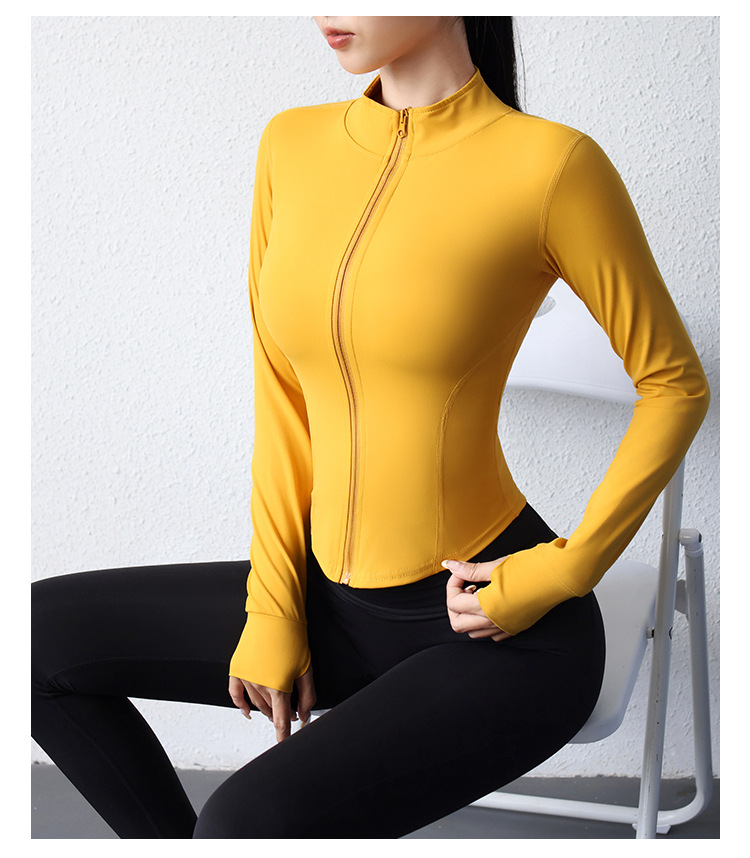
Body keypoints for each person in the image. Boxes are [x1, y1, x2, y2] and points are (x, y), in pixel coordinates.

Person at [31, 16, 710, 839]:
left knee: (243, 822)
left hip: (500, 625)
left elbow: (675, 383)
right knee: (32, 638)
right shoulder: (291, 145)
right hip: (327, 600)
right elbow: (282, 397)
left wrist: (563, 571)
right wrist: (272, 607)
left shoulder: (552, 164)